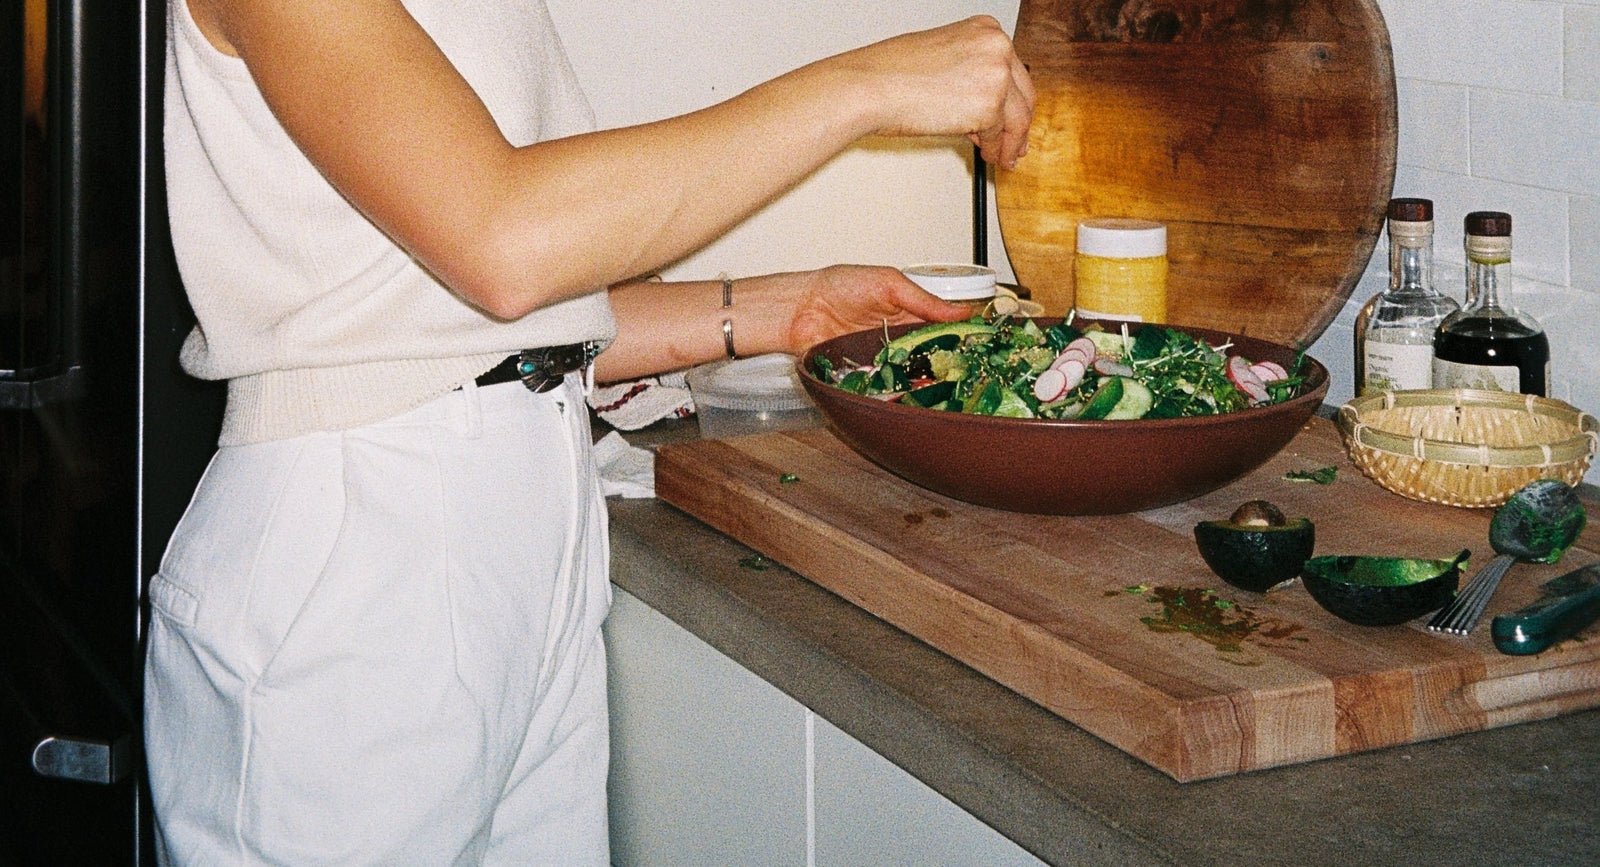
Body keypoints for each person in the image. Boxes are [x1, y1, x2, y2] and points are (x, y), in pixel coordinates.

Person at [143, 0, 1035, 863]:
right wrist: (866, 84)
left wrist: (788, 306)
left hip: (526, 529)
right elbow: (505, 240)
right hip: (358, 562)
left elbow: (478, 324)